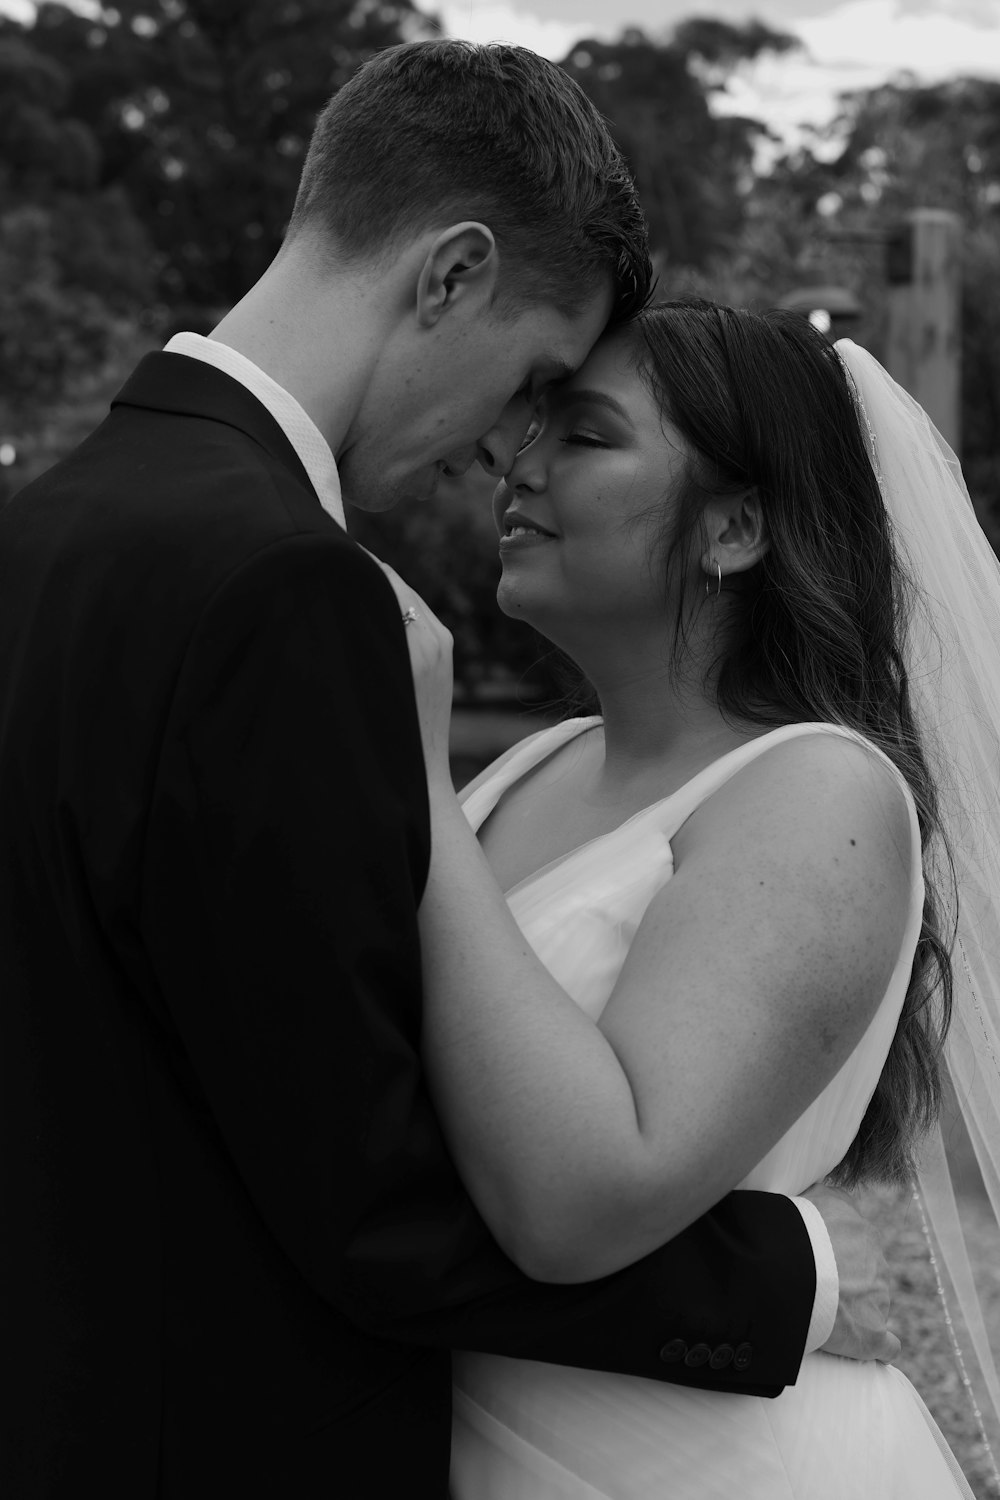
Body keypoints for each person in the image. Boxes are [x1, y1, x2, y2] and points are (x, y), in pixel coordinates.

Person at [0, 45, 892, 1500]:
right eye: (535, 379)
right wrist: (779, 1278)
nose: (501, 447)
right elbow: (357, 1185)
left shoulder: (45, 533)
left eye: (568, 416)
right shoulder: (286, 586)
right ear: (451, 272)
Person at [383, 299, 1000, 1496]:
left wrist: (406, 769)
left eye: (587, 436)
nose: (522, 464)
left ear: (733, 529)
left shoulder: (818, 794)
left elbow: (581, 1200)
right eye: (531, 428)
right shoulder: (530, 765)